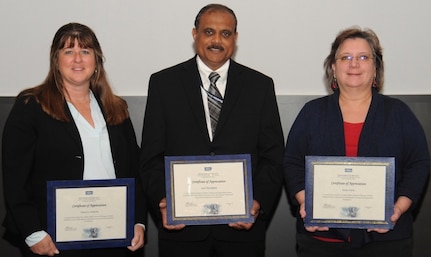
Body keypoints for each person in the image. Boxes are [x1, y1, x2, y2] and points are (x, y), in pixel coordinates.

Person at [139, 4, 284, 257]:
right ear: (195, 34)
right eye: (209, 32)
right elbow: (151, 155)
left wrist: (258, 201)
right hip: (182, 233)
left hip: (242, 233)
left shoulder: (259, 86)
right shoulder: (164, 84)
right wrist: (163, 200)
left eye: (226, 33)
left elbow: (273, 155)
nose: (217, 40)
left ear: (235, 38)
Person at [283, 26, 430, 257]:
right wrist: (306, 203)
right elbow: (291, 162)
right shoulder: (312, 113)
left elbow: (419, 164)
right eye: (345, 57)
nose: (354, 64)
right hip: (321, 238)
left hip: (386, 239)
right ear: (333, 67)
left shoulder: (398, 113)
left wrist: (397, 209)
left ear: (375, 68)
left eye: (363, 57)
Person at [2, 23, 145, 257]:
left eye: (85, 52)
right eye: (68, 52)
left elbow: (134, 171)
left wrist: (138, 221)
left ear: (96, 61)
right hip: (52, 240)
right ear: (56, 61)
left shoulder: (116, 108)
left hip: (115, 234)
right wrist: (33, 232)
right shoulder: (31, 106)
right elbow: (15, 177)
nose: (77, 59)